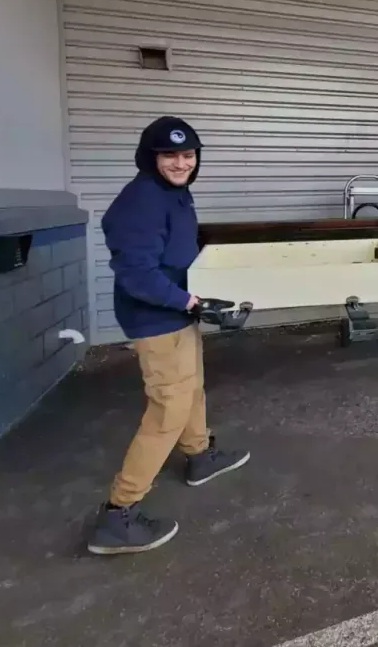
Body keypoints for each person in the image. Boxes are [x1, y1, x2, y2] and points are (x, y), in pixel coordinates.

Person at [87, 116, 250, 555]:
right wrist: (188, 302)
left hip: (176, 310)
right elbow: (137, 274)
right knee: (168, 410)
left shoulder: (173, 192)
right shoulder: (140, 202)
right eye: (170, 155)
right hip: (157, 319)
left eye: (187, 155)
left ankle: (199, 455)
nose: (180, 163)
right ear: (150, 157)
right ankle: (119, 513)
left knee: (191, 387)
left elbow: (176, 250)